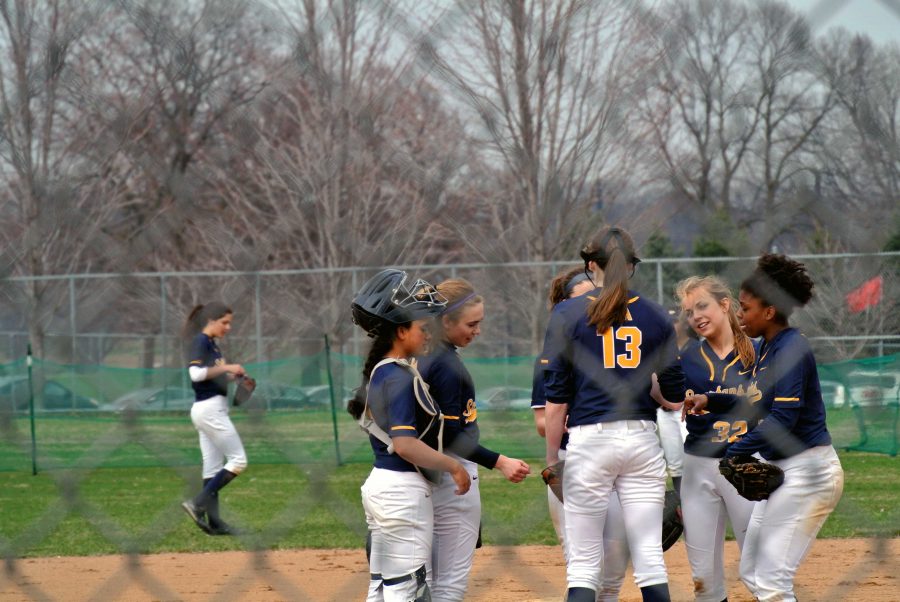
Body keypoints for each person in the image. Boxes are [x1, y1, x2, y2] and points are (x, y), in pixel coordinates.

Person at [685, 254, 844, 602]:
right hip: (788, 467)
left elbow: (783, 420)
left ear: (769, 311)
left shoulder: (791, 349)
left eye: (746, 308)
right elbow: (756, 400)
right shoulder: (770, 347)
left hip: (810, 471)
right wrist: (711, 400)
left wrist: (734, 449)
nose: (739, 316)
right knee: (752, 569)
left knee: (772, 579)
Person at [542, 226, 685, 602]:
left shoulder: (568, 312)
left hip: (589, 442)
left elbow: (555, 400)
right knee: (650, 560)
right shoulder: (654, 315)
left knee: (585, 566)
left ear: (591, 265)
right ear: (632, 265)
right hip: (641, 440)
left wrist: (552, 458)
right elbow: (672, 392)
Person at [347, 269, 472, 602]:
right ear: (401, 331)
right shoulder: (399, 376)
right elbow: (404, 444)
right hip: (402, 492)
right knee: (409, 590)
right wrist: (454, 466)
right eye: (422, 326)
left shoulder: (385, 370)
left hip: (382, 485)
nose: (429, 333)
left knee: (381, 587)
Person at [417, 278, 530, 602]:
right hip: (454, 477)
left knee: (418, 579)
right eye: (472, 323)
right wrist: (500, 461)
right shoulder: (447, 366)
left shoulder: (415, 355)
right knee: (449, 584)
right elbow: (450, 433)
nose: (477, 331)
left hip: (417, 472)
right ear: (446, 321)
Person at [532, 266, 630, 602]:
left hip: (616, 461)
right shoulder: (551, 356)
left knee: (616, 564)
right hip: (571, 461)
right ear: (564, 308)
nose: (593, 302)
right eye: (582, 297)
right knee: (583, 563)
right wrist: (585, 418)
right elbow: (544, 423)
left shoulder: (618, 349)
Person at [675, 276, 758, 602]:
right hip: (699, 465)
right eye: (689, 311)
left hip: (748, 462)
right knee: (703, 578)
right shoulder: (687, 359)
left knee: (760, 566)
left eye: (702, 305)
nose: (695, 316)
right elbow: (659, 395)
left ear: (725, 305)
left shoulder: (757, 352)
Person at [181, 302, 248, 536]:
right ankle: (197, 503)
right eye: (225, 322)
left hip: (209, 408)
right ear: (211, 320)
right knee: (238, 461)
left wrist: (232, 377)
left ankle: (215, 523)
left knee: (212, 467)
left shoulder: (212, 345)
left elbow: (211, 377)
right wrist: (228, 367)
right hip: (209, 410)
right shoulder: (201, 341)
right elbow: (196, 374)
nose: (228, 327)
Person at [651, 309, 695, 496]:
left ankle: (700, 497)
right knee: (674, 460)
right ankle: (680, 501)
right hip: (665, 410)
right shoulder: (659, 350)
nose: (671, 324)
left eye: (675, 320)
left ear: (685, 323)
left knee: (692, 456)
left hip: (689, 408)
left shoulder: (695, 348)